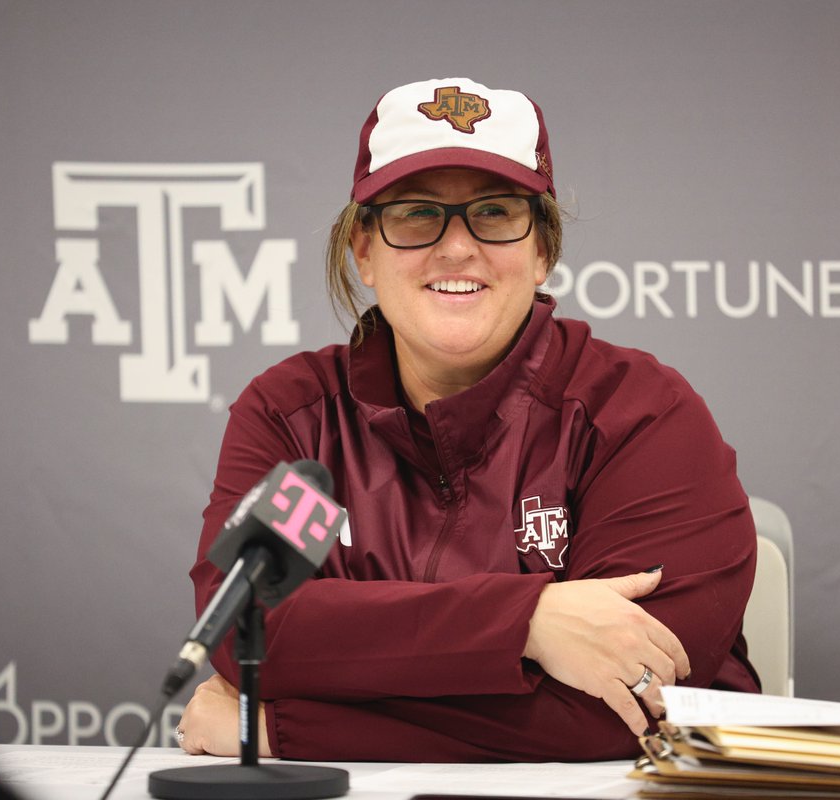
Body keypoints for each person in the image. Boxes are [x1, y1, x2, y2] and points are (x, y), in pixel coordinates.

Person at [178, 77, 759, 762]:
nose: (456, 248)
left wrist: (278, 730)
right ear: (363, 250)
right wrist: (530, 624)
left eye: (493, 212)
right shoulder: (294, 416)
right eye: (418, 214)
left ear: (543, 250)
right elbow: (248, 632)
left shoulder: (640, 414)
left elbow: (627, 712)